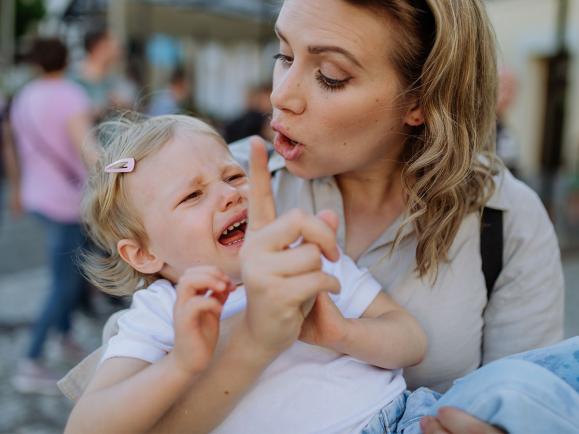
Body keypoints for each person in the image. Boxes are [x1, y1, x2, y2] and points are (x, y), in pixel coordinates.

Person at [61, 0, 566, 432]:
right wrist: (251, 339)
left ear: (420, 101)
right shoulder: (220, 180)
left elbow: (519, 393)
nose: (281, 94)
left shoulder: (509, 218)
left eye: (330, 75)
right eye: (283, 54)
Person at [64, 114, 427, 433]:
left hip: (403, 416)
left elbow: (411, 341)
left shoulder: (301, 253)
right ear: (142, 254)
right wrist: (181, 364)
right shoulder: (163, 311)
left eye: (234, 176)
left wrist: (340, 332)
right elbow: (87, 426)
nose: (229, 195)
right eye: (192, 195)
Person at [7, 38, 96, 394]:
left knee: (69, 272)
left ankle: (64, 336)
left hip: (38, 195)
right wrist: (117, 173)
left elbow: (10, 146)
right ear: (65, 59)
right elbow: (86, 147)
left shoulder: (25, 96)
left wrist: (16, 189)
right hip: (66, 200)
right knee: (64, 282)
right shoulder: (71, 95)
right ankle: (31, 359)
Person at [69, 27, 122, 122]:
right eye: (113, 41)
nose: (118, 46)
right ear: (101, 46)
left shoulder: (112, 81)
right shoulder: (73, 81)